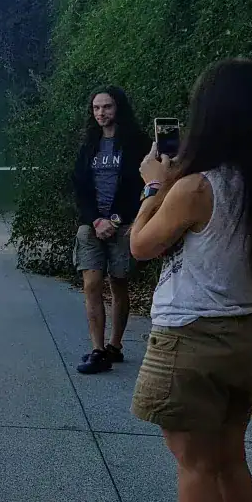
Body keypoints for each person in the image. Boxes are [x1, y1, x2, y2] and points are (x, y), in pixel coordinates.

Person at [129, 58, 252, 502]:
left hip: (191, 336)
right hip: (247, 333)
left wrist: (153, 186)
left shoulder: (195, 188)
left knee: (195, 464)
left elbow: (141, 245)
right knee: (231, 458)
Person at [71, 85, 152, 374]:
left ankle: (114, 346)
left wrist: (115, 220)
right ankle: (97, 350)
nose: (101, 113)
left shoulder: (137, 143)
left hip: (124, 225)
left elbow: (142, 185)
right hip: (92, 226)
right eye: (96, 108)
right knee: (91, 284)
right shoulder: (89, 145)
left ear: (118, 108)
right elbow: (80, 187)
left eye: (107, 107)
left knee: (119, 284)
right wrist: (95, 220)